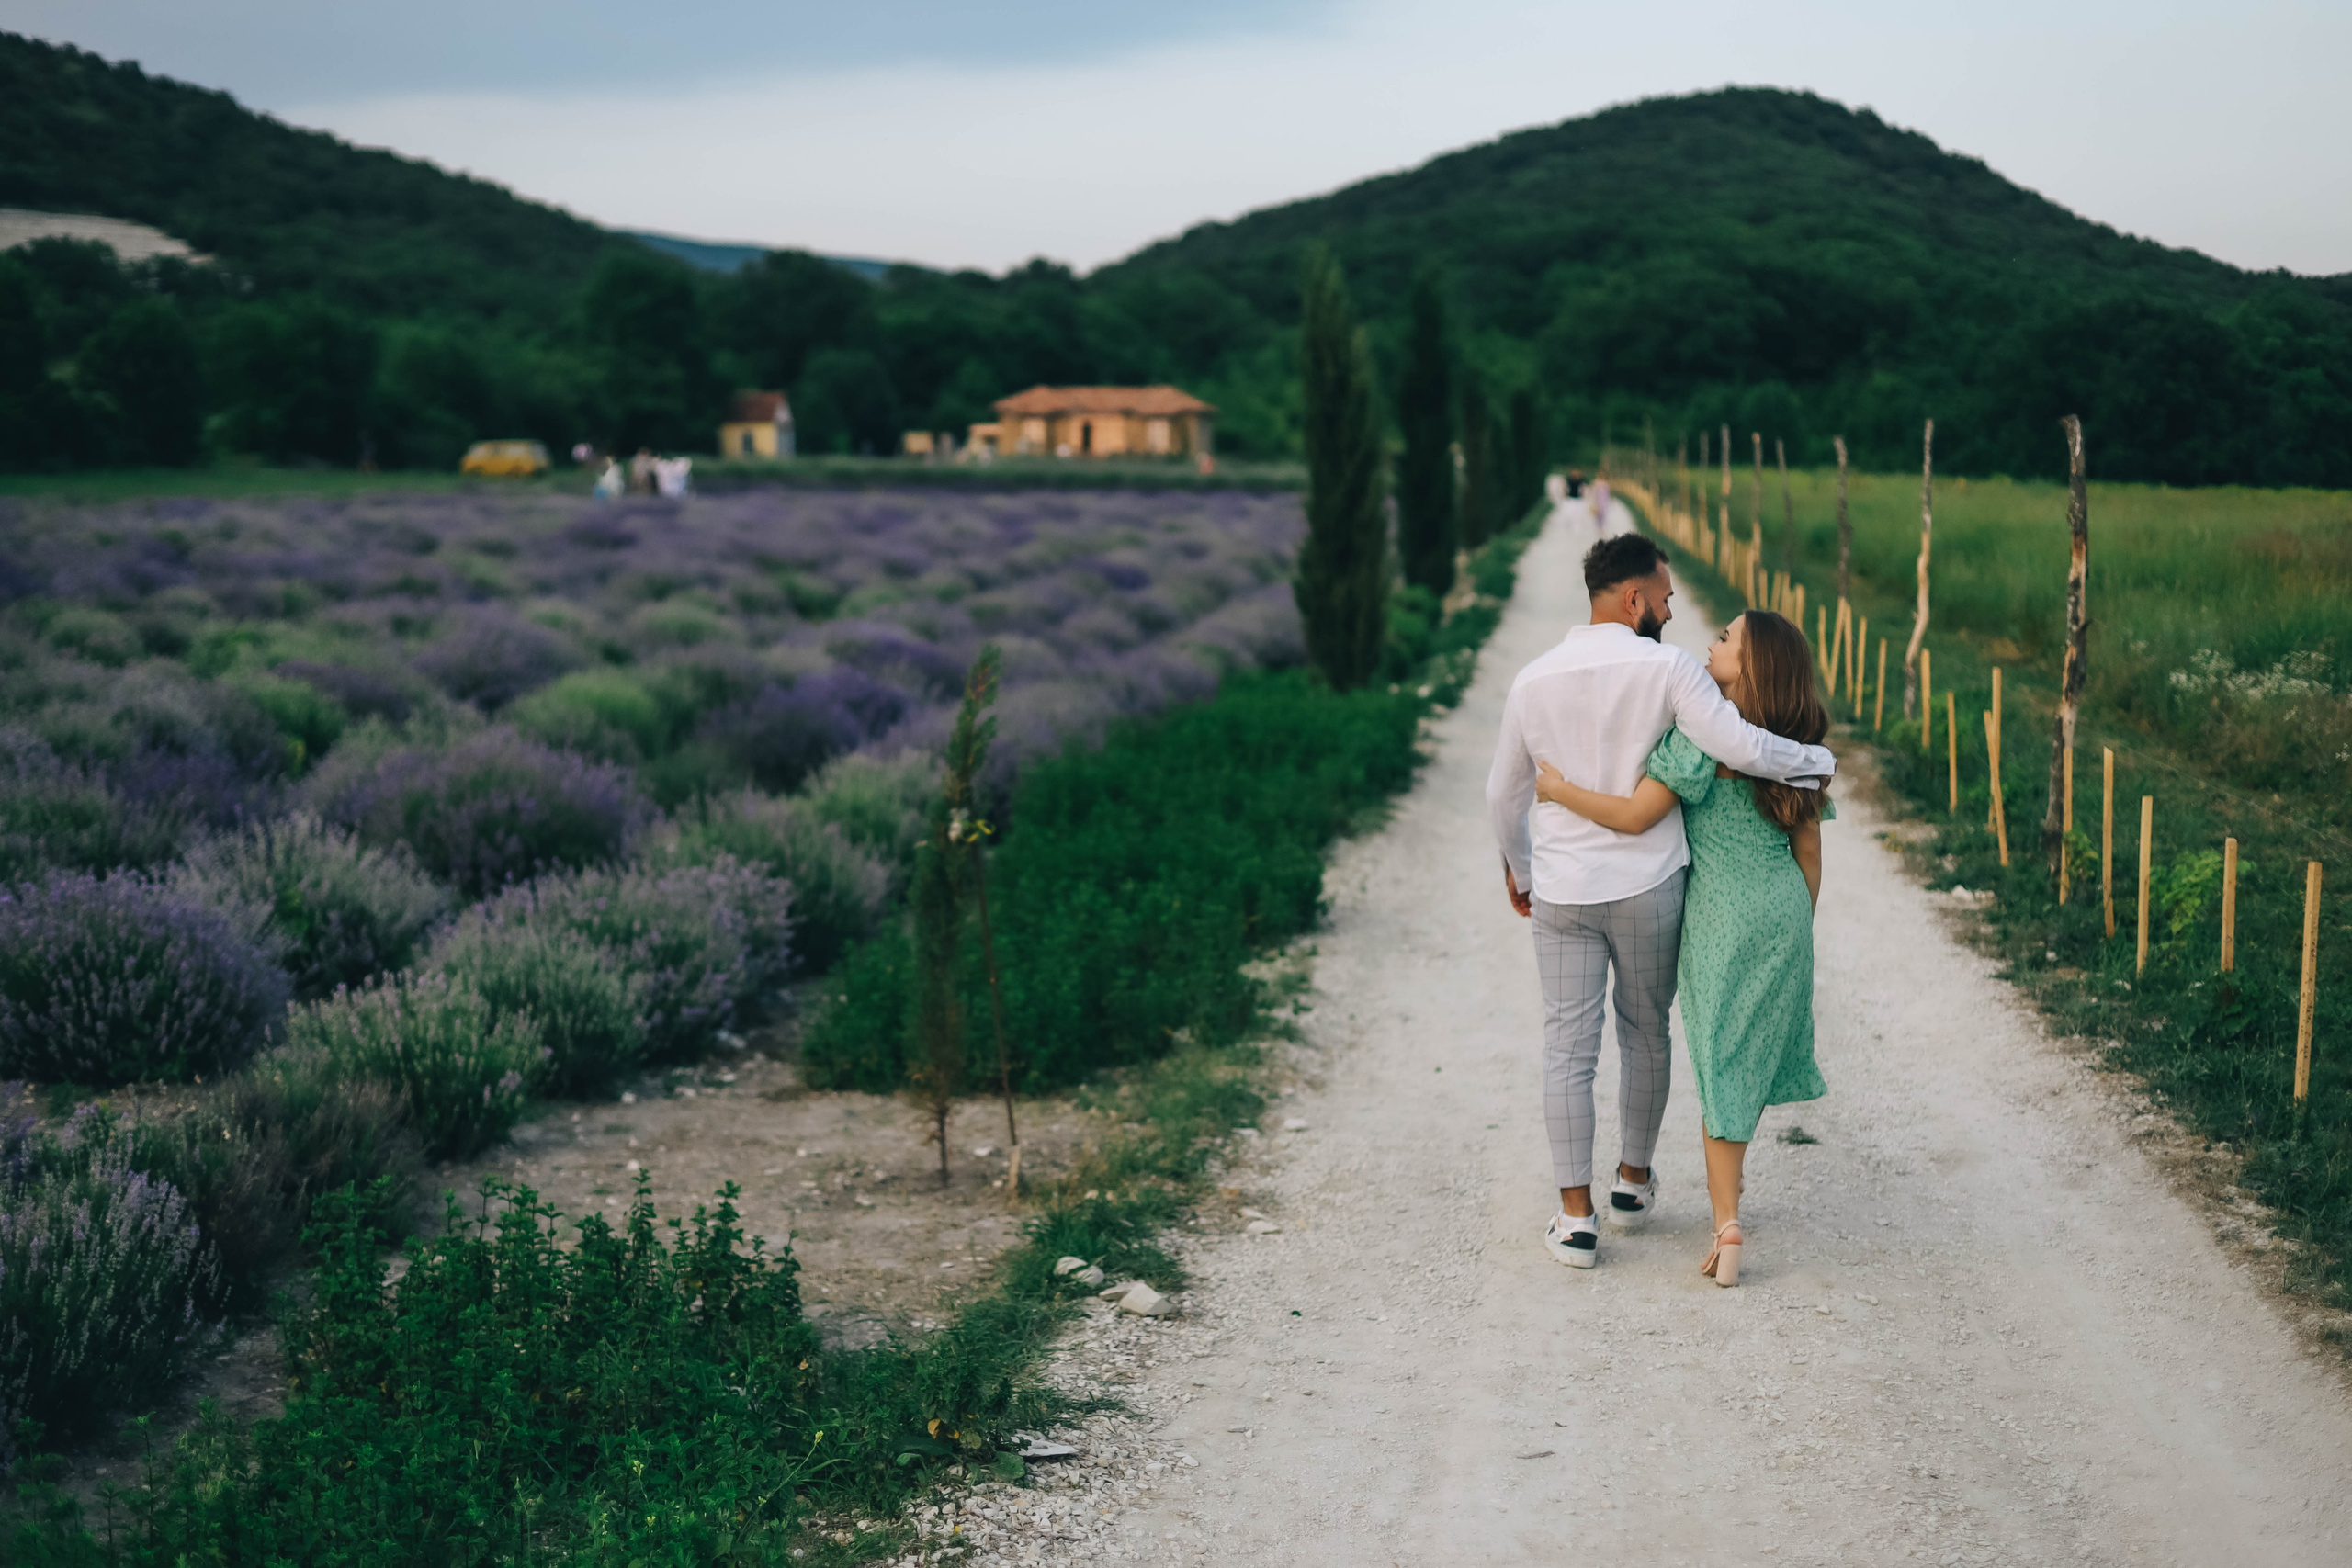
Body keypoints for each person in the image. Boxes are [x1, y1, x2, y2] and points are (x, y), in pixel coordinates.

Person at [1485, 534, 1834, 1271]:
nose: (1674, 612)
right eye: (1667, 598)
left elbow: (1502, 793)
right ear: (1635, 597)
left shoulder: (1531, 679)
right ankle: (1634, 1180)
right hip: (1648, 886)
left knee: (1566, 1048)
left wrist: (1520, 868)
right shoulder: (1672, 669)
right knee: (1646, 1031)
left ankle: (1576, 1220)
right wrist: (1813, 761)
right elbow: (1738, 744)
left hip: (1565, 890)